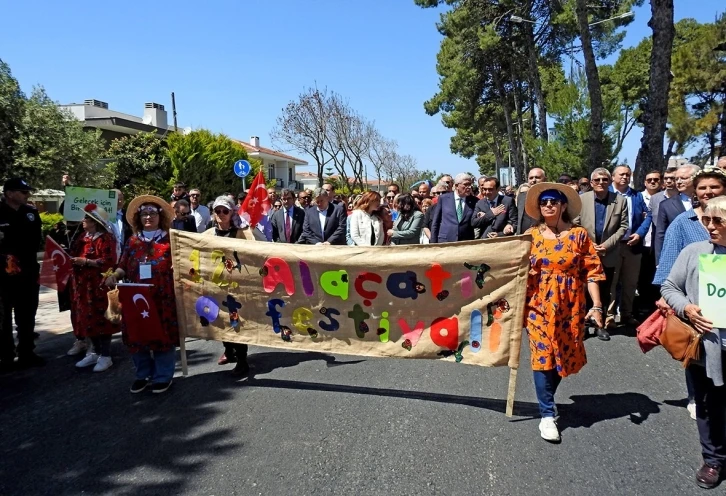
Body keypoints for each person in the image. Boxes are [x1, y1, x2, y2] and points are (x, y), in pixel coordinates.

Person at [524, 182, 605, 442]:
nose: (548, 205)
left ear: (563, 206)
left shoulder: (579, 235)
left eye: (554, 201)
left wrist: (597, 306)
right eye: (544, 201)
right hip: (538, 304)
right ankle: (547, 414)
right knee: (542, 356)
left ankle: (548, 398)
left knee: (563, 354)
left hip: (570, 305)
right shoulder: (531, 235)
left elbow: (592, 272)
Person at [661, 196, 726, 489]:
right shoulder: (694, 252)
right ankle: (713, 460)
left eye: (718, 221)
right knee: (707, 403)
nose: (710, 227)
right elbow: (669, 286)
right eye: (706, 220)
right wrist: (686, 308)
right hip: (706, 345)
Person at [103, 196, 178, 394]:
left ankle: (163, 376)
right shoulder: (133, 241)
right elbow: (122, 266)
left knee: (162, 334)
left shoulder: (171, 239)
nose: (148, 217)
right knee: (138, 335)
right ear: (138, 217)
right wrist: (114, 276)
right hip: (136, 297)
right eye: (144, 213)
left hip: (163, 297)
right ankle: (142, 374)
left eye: (152, 213)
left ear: (159, 216)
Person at [204, 196, 266, 376]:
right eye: (218, 211)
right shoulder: (208, 235)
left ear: (232, 212)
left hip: (239, 286)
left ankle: (242, 359)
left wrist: (250, 229)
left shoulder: (244, 231)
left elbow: (265, 247)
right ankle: (228, 349)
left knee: (236, 320)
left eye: (225, 211)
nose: (221, 214)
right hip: (217, 286)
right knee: (221, 320)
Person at [574, 168, 628, 340]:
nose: (600, 183)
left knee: (604, 291)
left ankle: (599, 325)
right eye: (597, 180)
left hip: (608, 253)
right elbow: (575, 224)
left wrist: (606, 245)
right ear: (591, 183)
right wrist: (589, 245)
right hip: (585, 252)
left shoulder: (619, 201)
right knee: (582, 291)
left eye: (604, 180)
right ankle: (582, 325)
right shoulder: (582, 200)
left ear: (610, 181)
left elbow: (623, 227)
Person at [68, 204, 118, 372]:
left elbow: (109, 261)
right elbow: (73, 254)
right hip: (83, 286)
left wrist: (88, 262)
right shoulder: (82, 237)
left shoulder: (106, 239)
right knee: (87, 317)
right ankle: (94, 352)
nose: (83, 221)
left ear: (95, 222)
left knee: (102, 319)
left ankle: (106, 355)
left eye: (87, 219)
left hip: (99, 285)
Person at [0, 178, 44, 370]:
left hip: (27, 270)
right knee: (3, 317)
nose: (27, 196)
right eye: (23, 192)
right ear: (9, 193)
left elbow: (36, 241)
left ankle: (27, 351)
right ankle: (6, 355)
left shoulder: (31, 213)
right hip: (3, 274)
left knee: (27, 313)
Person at [607, 165, 651, 328]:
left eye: (628, 175)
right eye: (621, 174)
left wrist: (639, 234)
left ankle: (626, 314)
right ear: (613, 177)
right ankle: (609, 316)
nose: (625, 177)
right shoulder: (607, 194)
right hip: (613, 246)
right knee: (612, 282)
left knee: (630, 283)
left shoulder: (636, 195)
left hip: (633, 246)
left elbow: (648, 216)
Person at [655, 164, 700, 263]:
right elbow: (660, 234)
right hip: (678, 257)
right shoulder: (666, 205)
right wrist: (659, 261)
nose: (678, 182)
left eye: (683, 178)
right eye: (677, 179)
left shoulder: (707, 201)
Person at [637, 171, 663, 316]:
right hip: (641, 243)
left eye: (656, 179)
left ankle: (655, 307)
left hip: (657, 245)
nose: (653, 182)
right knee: (642, 277)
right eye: (649, 179)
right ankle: (642, 306)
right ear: (645, 182)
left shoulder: (666, 198)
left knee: (655, 276)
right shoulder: (638, 197)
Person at [429, 173, 478, 243]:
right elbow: (435, 223)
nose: (469, 187)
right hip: (446, 241)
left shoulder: (474, 201)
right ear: (457, 186)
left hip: (466, 242)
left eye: (470, 184)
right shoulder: (444, 199)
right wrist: (433, 244)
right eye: (466, 184)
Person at [517, 168, 547, 234]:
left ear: (545, 179)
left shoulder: (551, 198)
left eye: (537, 177)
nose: (533, 180)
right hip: (523, 238)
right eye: (531, 178)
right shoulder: (522, 196)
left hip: (543, 236)